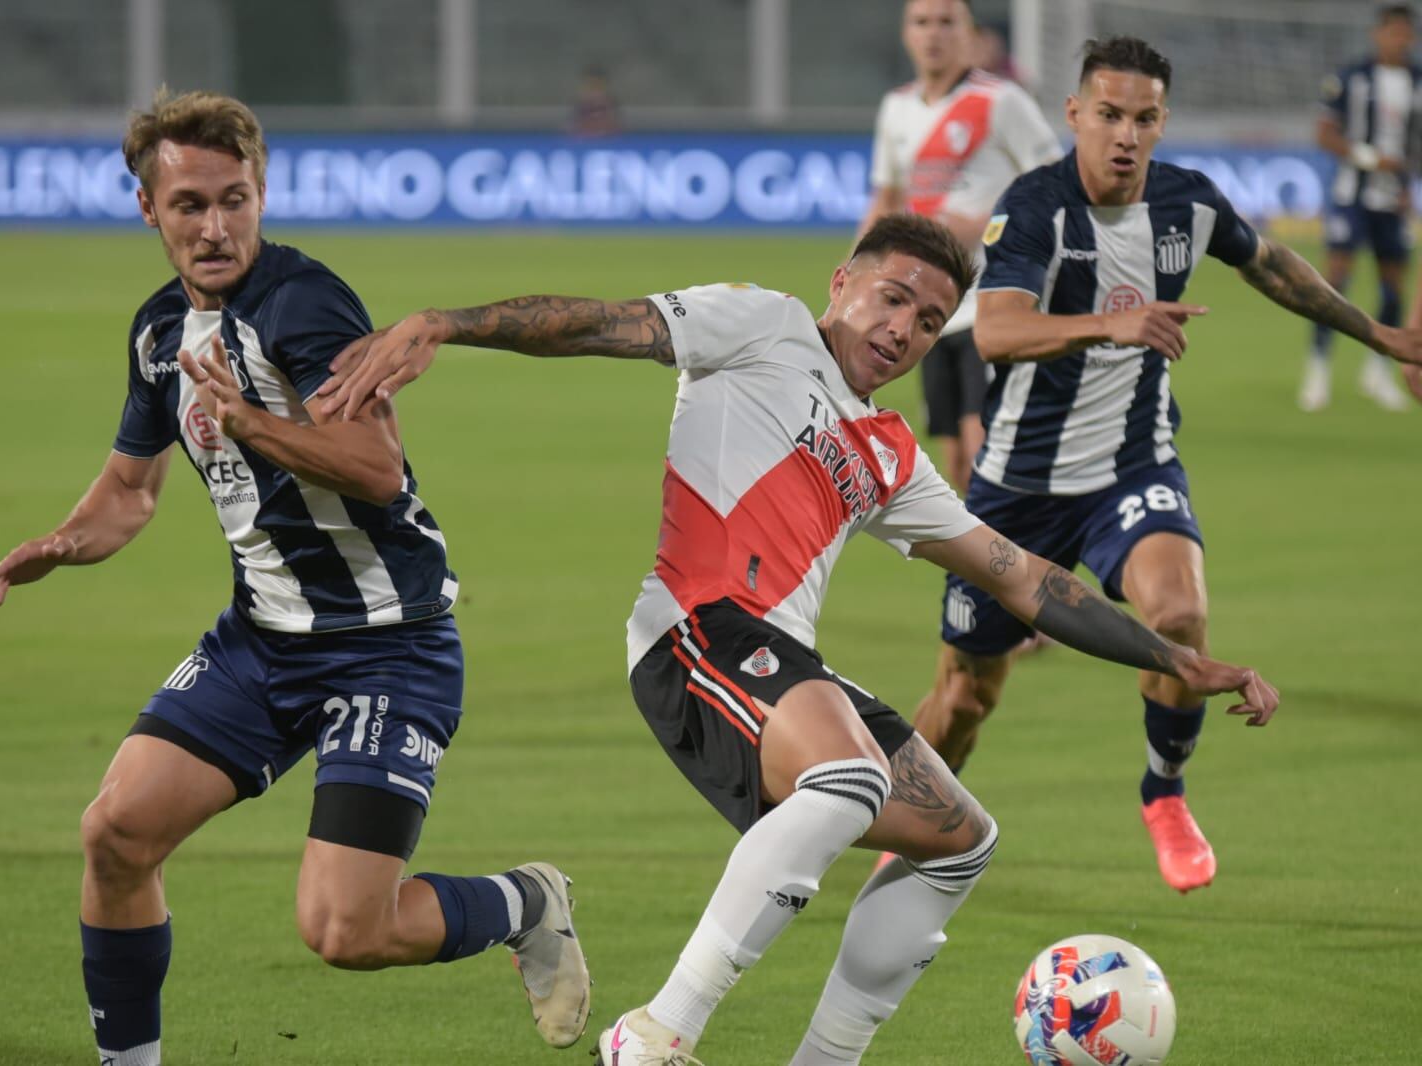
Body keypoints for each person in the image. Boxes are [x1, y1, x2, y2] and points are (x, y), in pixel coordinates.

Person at [313, 214, 1278, 1066]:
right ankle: (654, 1035)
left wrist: (1175, 658)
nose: (901, 330)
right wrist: (446, 323)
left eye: (928, 320)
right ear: (843, 284)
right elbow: (610, 323)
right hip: (694, 629)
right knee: (852, 780)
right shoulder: (766, 325)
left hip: (778, 655)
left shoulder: (890, 451)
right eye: (892, 298)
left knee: (960, 841)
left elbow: (1019, 574)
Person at [0, 90, 590, 1065]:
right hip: (261, 644)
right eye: (189, 206)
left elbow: (377, 469)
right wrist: (63, 541)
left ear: (263, 194)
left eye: (236, 199)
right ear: (148, 210)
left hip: (388, 648)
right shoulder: (156, 334)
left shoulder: (305, 307)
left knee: (348, 932)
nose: (215, 227)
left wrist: (255, 424)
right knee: (116, 834)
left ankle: (526, 900)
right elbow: (131, 492)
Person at [908, 37, 1422, 896]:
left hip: (1131, 467)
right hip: (1018, 486)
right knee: (965, 693)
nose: (1125, 135)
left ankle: (1165, 793)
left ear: (1161, 123)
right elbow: (996, 329)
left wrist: (1385, 334)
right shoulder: (1037, 207)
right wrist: (1110, 324)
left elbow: (1275, 269)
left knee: (1178, 614)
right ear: (1074, 115)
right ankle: (914, 822)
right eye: (1108, 115)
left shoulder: (1189, 203)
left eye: (1144, 119)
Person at [859, 0, 1060, 495]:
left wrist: (991, 223)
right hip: (927, 306)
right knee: (957, 460)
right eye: (922, 22)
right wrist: (857, 274)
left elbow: (1056, 181)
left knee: (984, 443)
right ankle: (989, 565)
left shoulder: (1000, 101)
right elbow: (886, 199)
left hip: (992, 298)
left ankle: (1011, 561)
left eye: (947, 22)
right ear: (907, 34)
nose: (934, 34)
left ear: (968, 33)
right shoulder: (898, 108)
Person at [1299, 2, 1419, 412]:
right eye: (1392, 32)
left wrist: (1407, 183)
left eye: (1405, 33)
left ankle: (1377, 372)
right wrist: (1371, 160)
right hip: (1352, 196)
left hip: (1394, 201)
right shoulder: (1352, 78)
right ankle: (1317, 370)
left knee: (1392, 289)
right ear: (1377, 34)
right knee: (1334, 283)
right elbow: (1323, 134)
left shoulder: (1418, 81)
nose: (1398, 40)